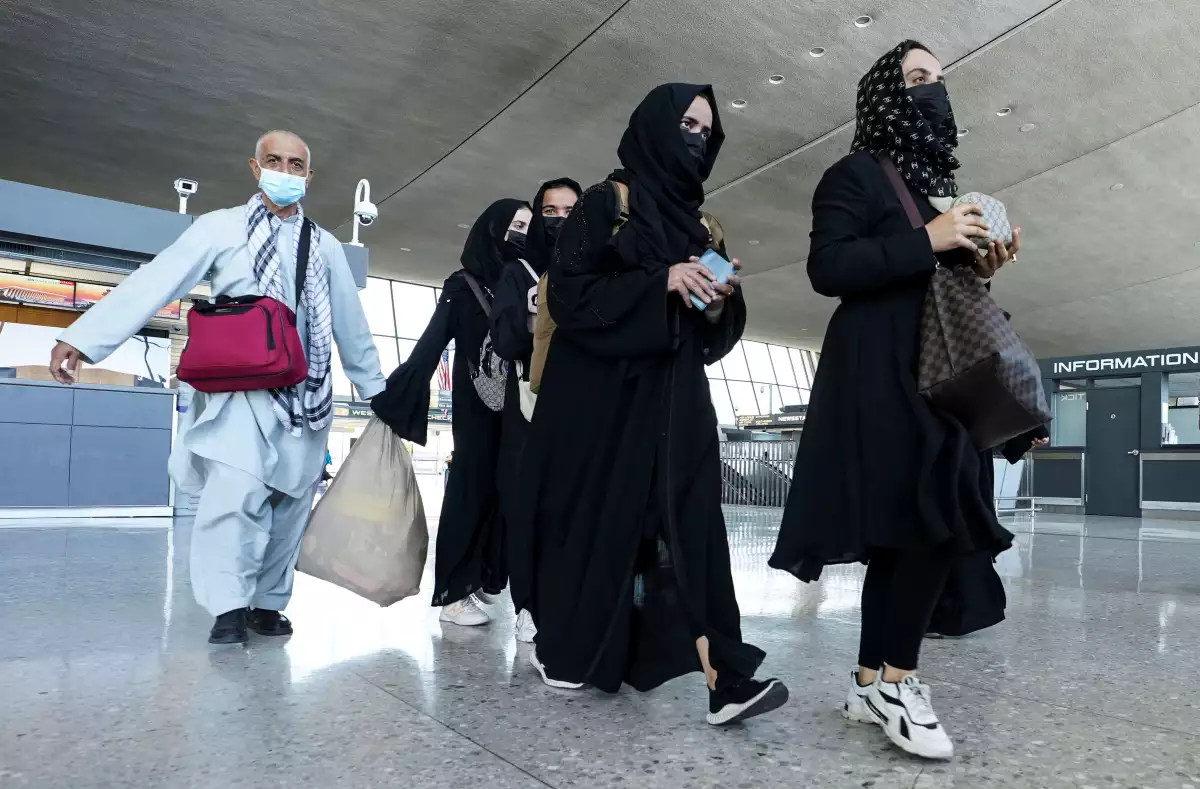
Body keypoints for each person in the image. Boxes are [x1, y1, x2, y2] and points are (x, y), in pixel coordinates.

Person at [769, 42, 1020, 760]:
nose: (932, 93)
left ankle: (870, 679)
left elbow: (942, 287)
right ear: (884, 95)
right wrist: (930, 236)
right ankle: (899, 684)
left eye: (939, 82)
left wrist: (978, 260)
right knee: (930, 521)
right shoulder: (853, 173)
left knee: (908, 531)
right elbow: (829, 265)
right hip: (879, 372)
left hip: (933, 370)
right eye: (916, 80)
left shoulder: (939, 188)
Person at [516, 83, 788, 726]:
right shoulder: (603, 202)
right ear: (654, 126)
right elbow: (570, 296)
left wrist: (719, 301)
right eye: (686, 123)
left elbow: (709, 335)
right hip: (603, 405)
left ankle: (726, 676)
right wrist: (661, 279)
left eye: (706, 130)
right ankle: (571, 647)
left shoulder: (704, 226)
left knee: (692, 527)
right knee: (599, 524)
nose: (696, 136)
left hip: (676, 401)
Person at [49, 131, 385, 645]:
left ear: (309, 176)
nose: (285, 171)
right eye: (274, 160)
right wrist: (84, 338)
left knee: (291, 500)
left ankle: (268, 603)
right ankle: (228, 605)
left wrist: (375, 388)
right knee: (236, 494)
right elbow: (158, 279)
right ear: (255, 168)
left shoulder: (326, 246)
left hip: (305, 389)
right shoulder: (220, 227)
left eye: (296, 164)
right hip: (239, 390)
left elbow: (349, 321)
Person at [372, 198, 532, 627]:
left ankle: (479, 578)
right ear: (493, 227)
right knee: (469, 490)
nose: (521, 233)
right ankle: (452, 593)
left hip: (516, 409)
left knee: (503, 495)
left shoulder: (522, 281)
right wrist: (400, 389)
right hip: (476, 407)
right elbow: (435, 339)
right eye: (514, 224)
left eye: (527, 226)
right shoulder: (464, 284)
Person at [490, 177, 582, 644]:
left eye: (571, 210)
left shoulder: (594, 268)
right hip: (528, 408)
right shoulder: (519, 272)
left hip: (582, 409)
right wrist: (539, 326)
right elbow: (506, 341)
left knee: (573, 507)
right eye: (550, 212)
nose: (560, 221)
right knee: (527, 508)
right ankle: (527, 605)